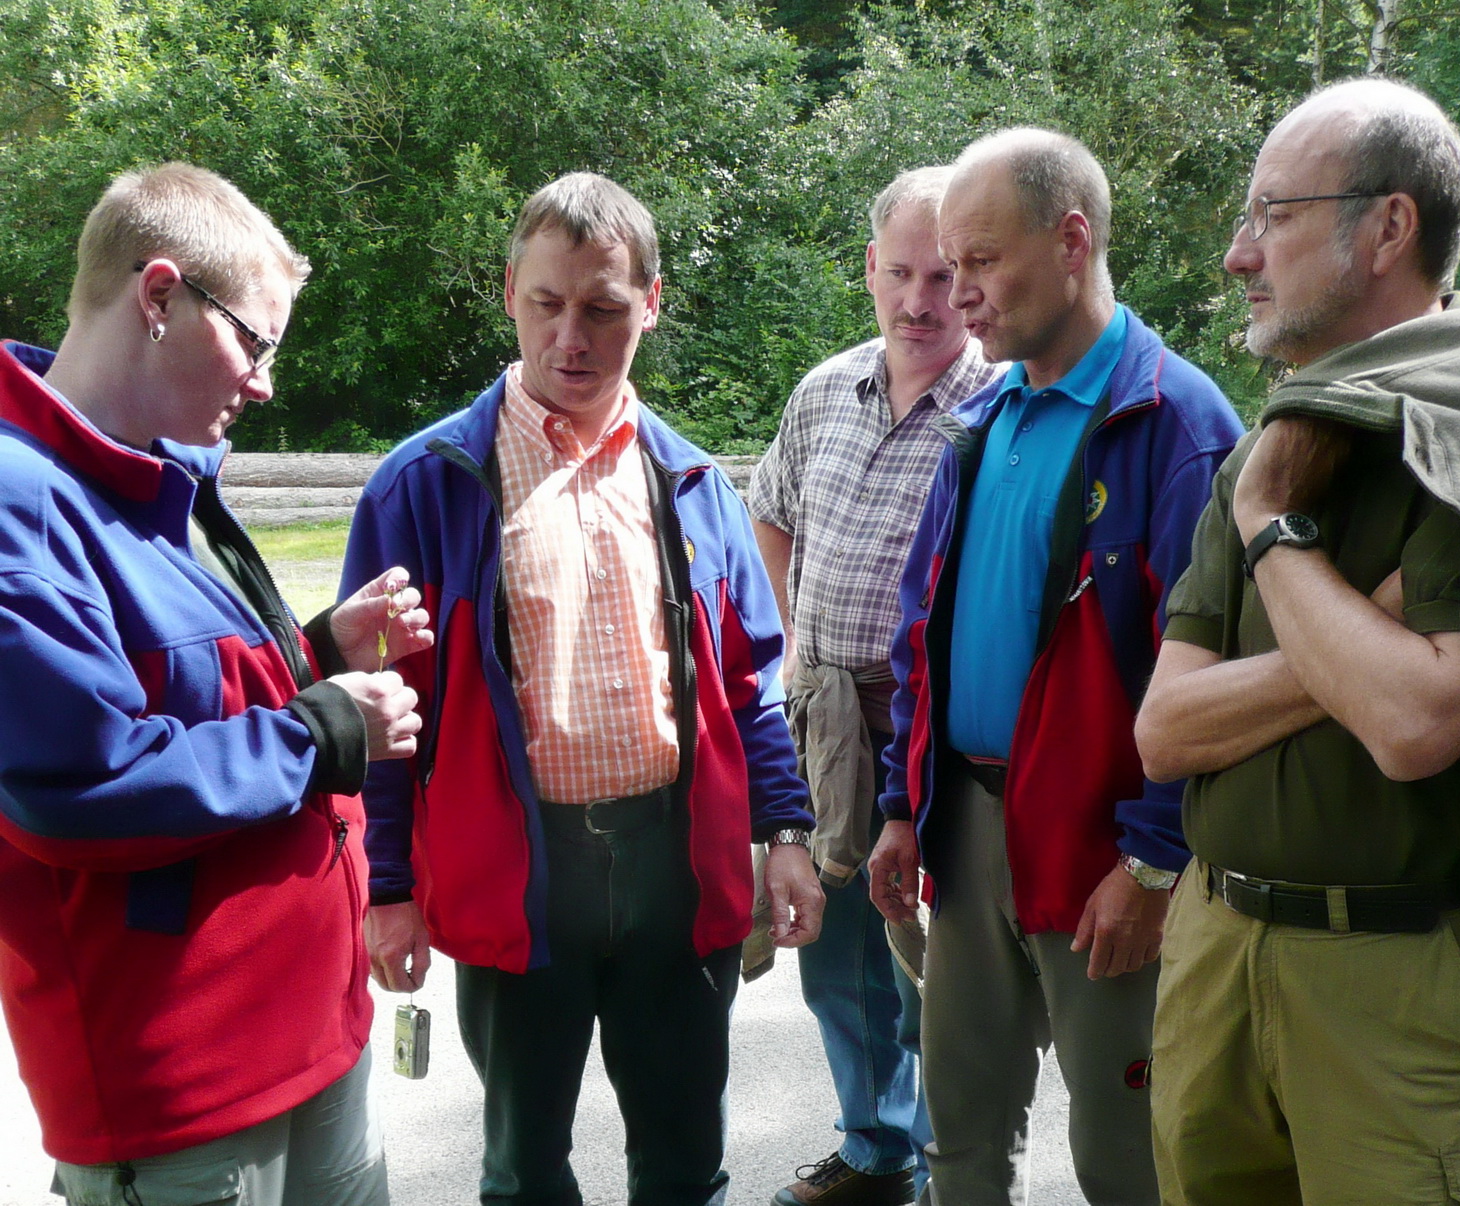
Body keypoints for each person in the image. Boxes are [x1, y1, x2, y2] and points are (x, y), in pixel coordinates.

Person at [341, 171, 824, 1206]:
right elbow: (382, 711)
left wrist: (786, 832)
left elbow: (751, 686)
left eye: (603, 308)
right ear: (509, 293)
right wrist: (388, 888)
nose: (572, 338)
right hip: (520, 875)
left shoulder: (695, 484)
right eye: (546, 304)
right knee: (525, 1171)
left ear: (651, 304)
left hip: (673, 867)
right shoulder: (422, 487)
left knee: (685, 1167)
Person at [0, 162, 429, 1205]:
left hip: (309, 1034)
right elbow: (83, 789)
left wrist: (317, 651)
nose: (265, 382)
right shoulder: (21, 506)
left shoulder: (155, 473)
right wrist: (326, 727)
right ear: (159, 296)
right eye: (253, 341)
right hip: (183, 1089)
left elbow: (188, 696)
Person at [1136, 78, 1460, 1204]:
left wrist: (1269, 528)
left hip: (1406, 983)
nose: (1239, 254)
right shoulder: (1277, 439)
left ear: (1388, 227)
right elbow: (1164, 732)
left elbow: (1415, 723)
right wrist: (1354, 645)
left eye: (1274, 214)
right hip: (1216, 951)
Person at [869, 128, 1243, 1205]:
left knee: (1128, 1154)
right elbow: (921, 632)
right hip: (967, 827)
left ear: (1072, 241)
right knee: (963, 1131)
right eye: (950, 263)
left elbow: (1210, 669)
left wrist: (1155, 862)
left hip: (1104, 849)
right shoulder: (983, 417)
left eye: (982, 261)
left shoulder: (1178, 424)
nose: (959, 294)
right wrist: (901, 809)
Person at [750, 165, 1002, 1206]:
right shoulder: (826, 390)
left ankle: (954, 1166)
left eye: (942, 277)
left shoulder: (997, 407)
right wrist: (794, 647)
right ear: (868, 269)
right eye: (899, 273)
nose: (919, 301)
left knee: (941, 965)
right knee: (838, 953)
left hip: (933, 730)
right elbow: (769, 512)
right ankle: (874, 1149)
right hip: (826, 719)